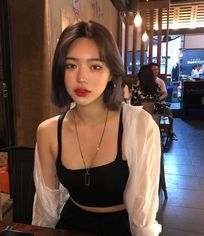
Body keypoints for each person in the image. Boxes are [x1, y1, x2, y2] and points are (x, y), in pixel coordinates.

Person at [32, 20, 161, 236]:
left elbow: (143, 217)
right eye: (71, 65)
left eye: (95, 66)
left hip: (121, 227)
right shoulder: (48, 132)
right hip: (69, 226)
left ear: (111, 72)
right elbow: (46, 210)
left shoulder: (138, 125)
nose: (81, 78)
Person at [149, 63, 178, 141]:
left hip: (159, 103)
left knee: (168, 111)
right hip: (147, 104)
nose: (155, 71)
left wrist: (158, 99)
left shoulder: (160, 81)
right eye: (153, 69)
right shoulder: (144, 81)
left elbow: (165, 93)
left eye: (157, 69)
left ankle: (171, 132)